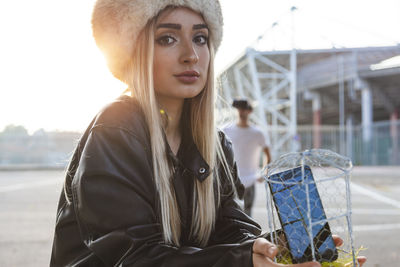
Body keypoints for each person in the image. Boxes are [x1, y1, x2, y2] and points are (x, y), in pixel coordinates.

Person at [50, 1, 366, 266]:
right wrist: (243, 261)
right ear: (134, 51)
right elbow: (135, 257)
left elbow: (231, 230)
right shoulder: (115, 130)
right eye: (167, 39)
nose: (191, 55)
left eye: (200, 38)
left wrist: (272, 248)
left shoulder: (214, 143)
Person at [223, 99, 271, 217]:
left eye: (244, 109)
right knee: (229, 216)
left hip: (250, 180)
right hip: (230, 181)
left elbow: (268, 154)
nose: (241, 112)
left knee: (247, 216)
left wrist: (264, 172)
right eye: (239, 109)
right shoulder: (226, 130)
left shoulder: (257, 133)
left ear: (249, 112)